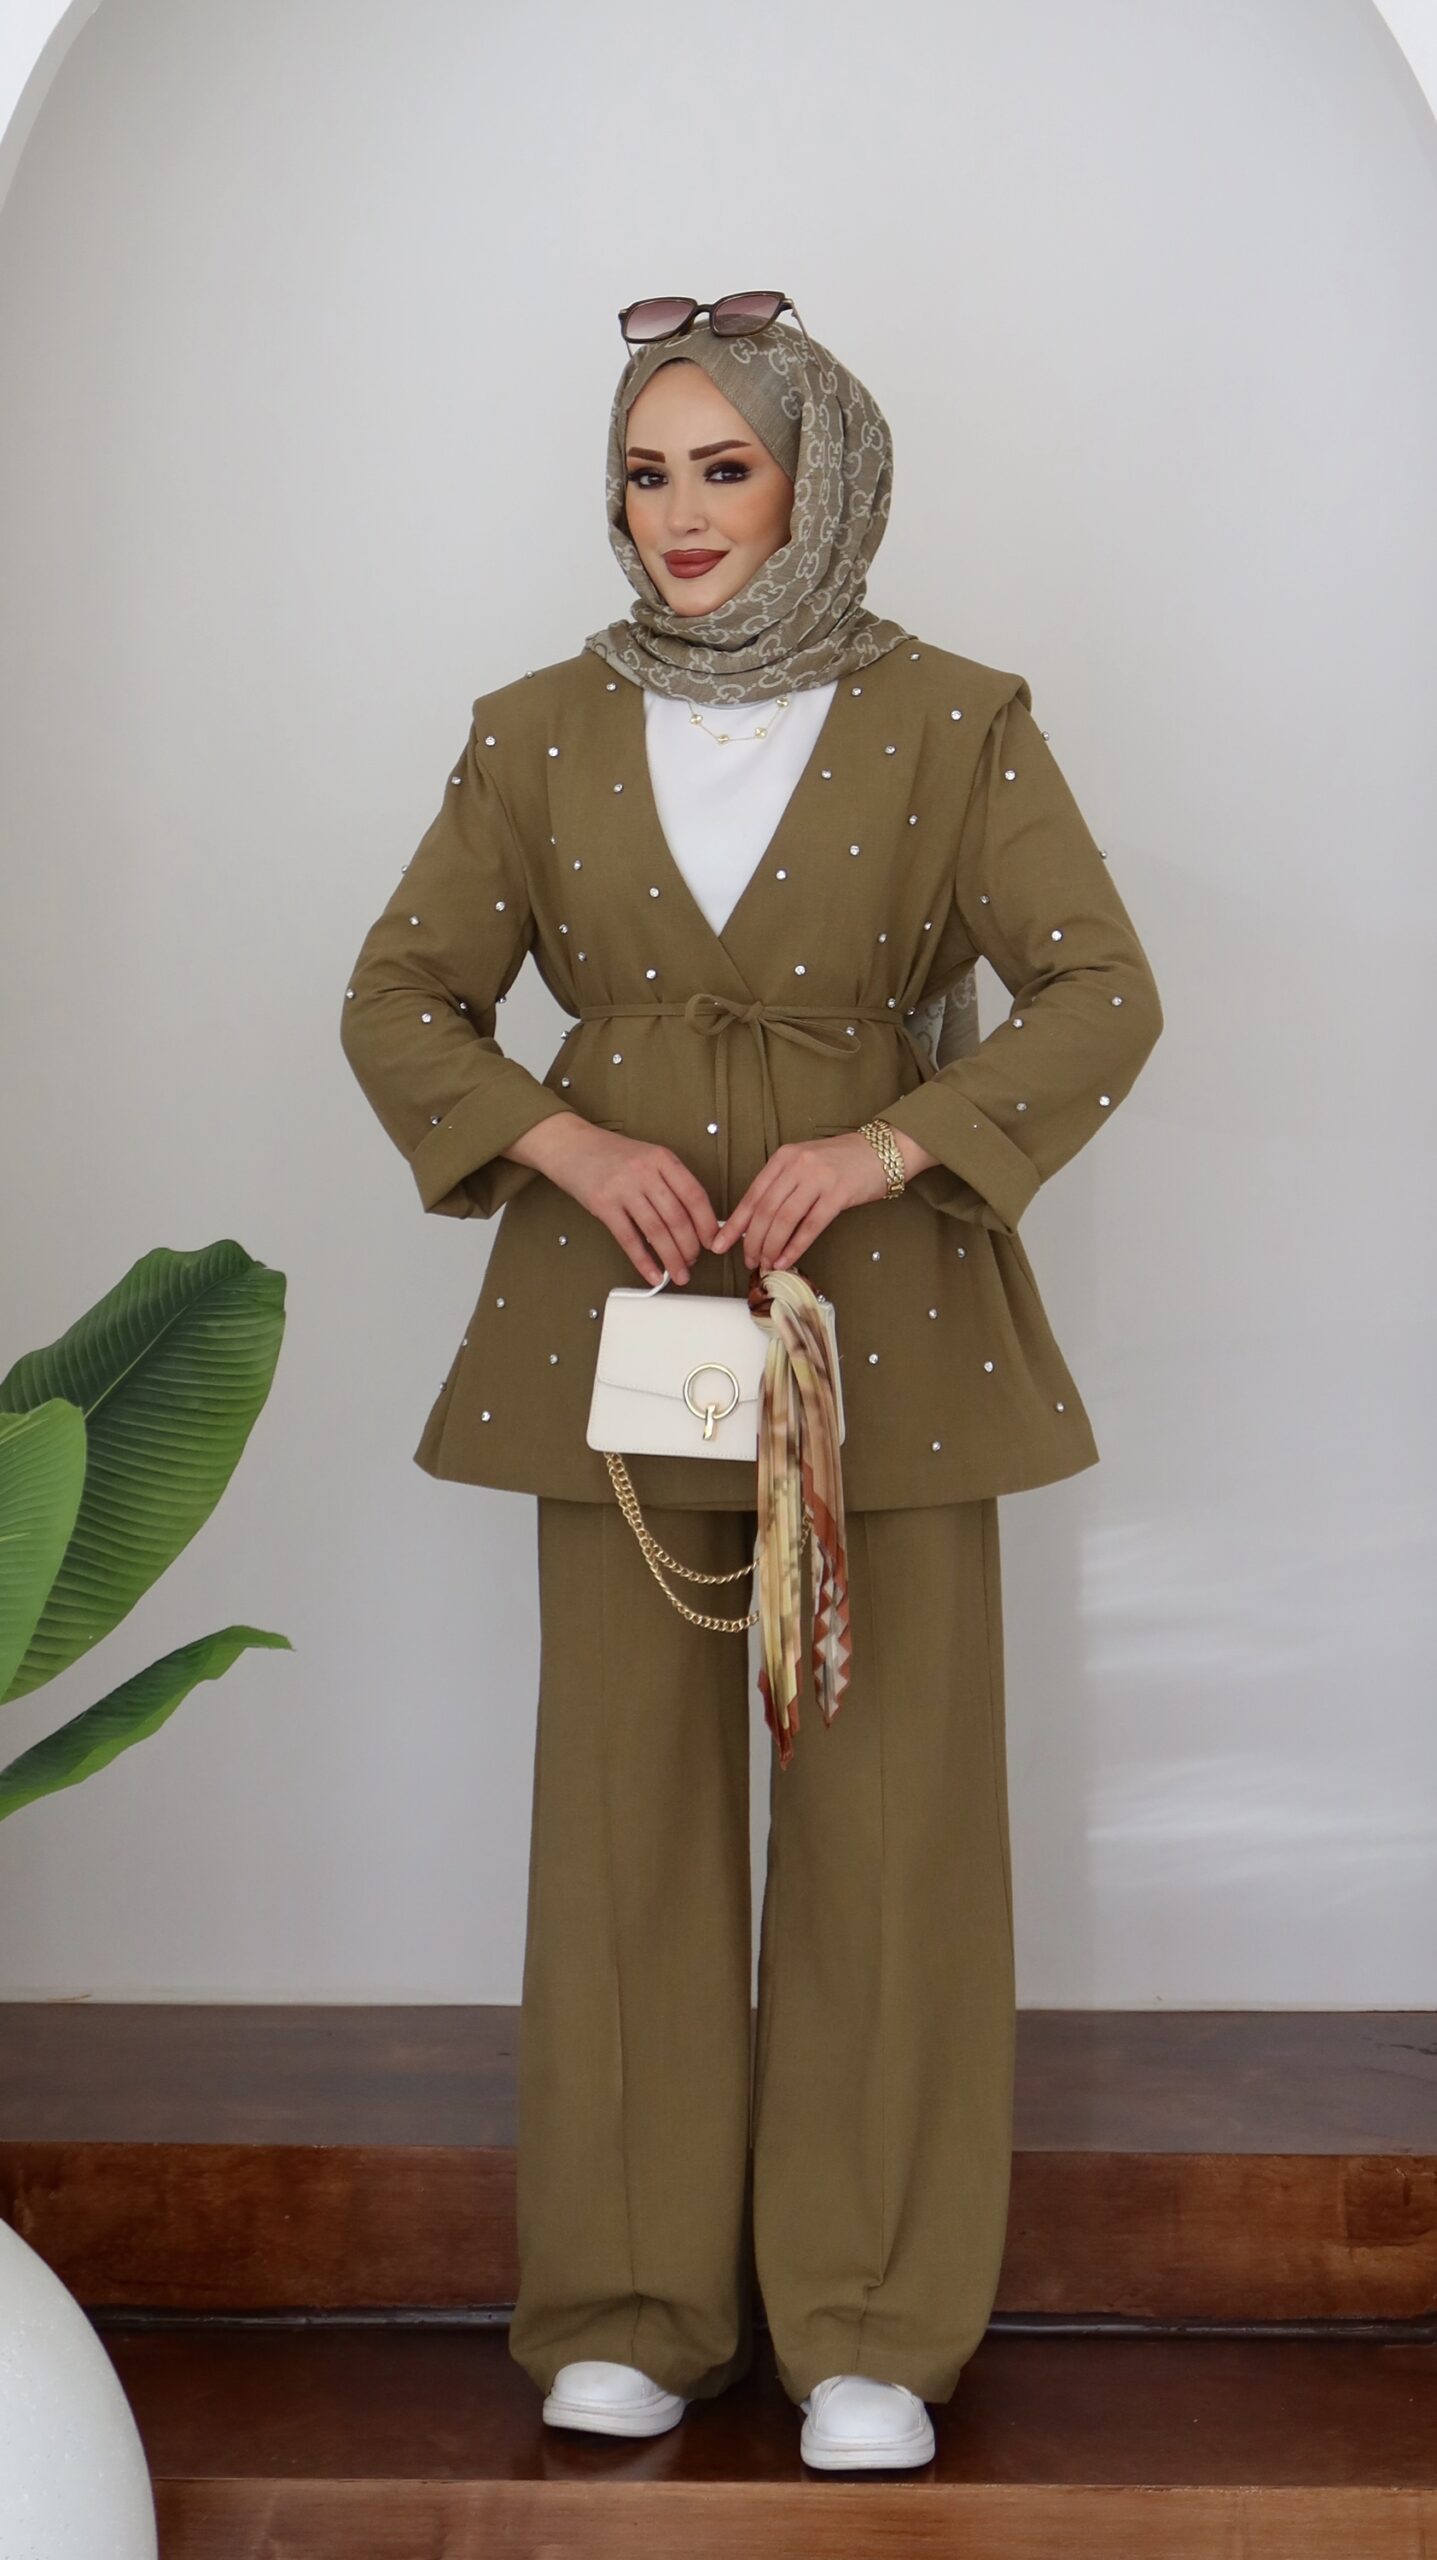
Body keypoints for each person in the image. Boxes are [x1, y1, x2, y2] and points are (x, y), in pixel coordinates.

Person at [339, 291, 1164, 2470]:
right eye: (646, 471)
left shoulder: (958, 721)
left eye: (725, 467)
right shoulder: (531, 731)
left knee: (891, 1825)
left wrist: (892, 1145)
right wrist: (563, 1139)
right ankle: (627, 2302)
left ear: (819, 483)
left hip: (885, 1336)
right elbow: (400, 996)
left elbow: (1096, 992)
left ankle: (872, 2323)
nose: (681, 513)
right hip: (613, 1339)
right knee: (621, 1818)